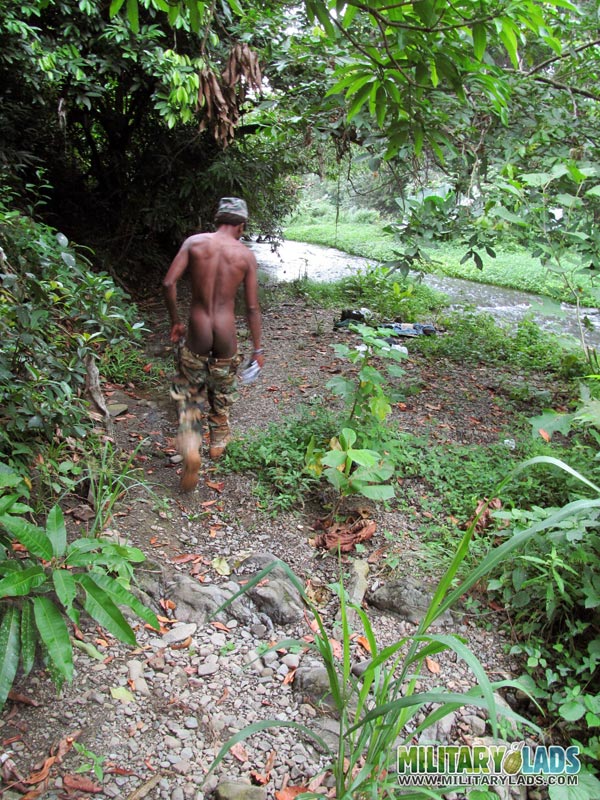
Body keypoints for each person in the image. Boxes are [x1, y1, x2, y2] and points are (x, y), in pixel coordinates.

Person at [163, 197, 264, 492]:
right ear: (241, 225)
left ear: (218, 218)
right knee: (222, 391)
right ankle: (217, 444)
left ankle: (192, 450)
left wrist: (175, 321)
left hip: (197, 329)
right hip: (226, 333)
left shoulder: (194, 243)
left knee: (190, 393)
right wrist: (258, 349)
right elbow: (252, 309)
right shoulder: (245, 256)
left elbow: (168, 283)